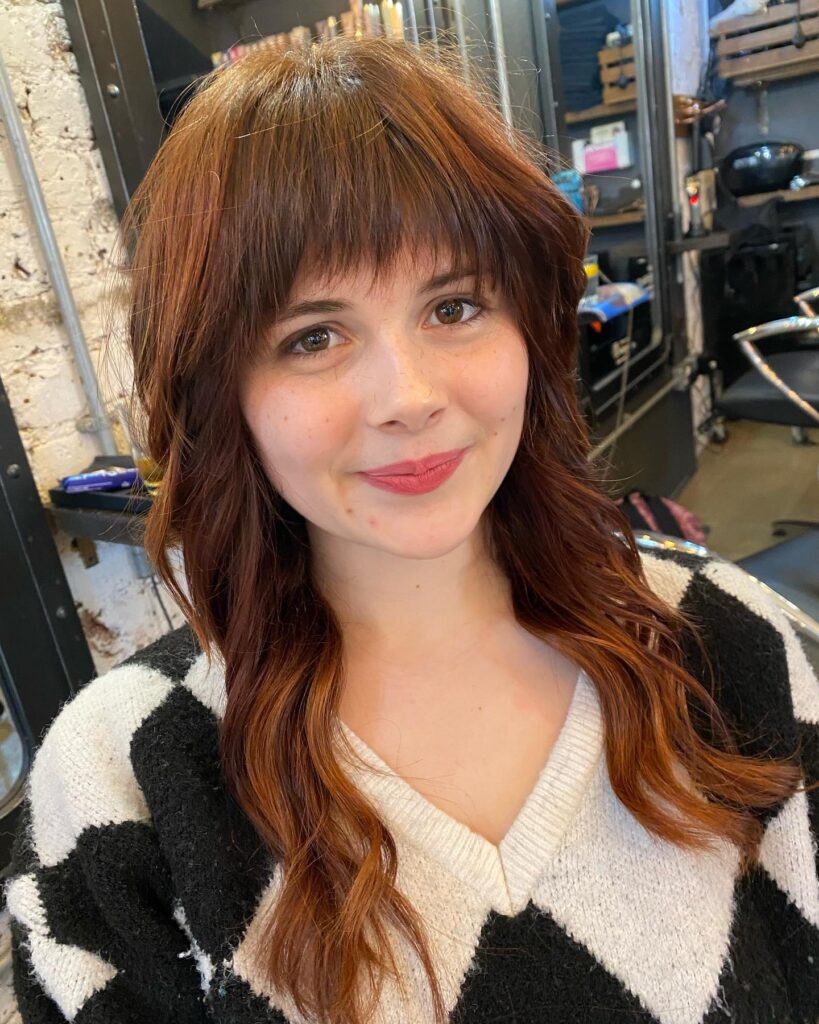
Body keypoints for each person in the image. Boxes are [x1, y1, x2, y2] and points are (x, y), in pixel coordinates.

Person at [5, 34, 818, 1024]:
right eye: (313, 336)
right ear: (219, 394)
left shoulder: (732, 647)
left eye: (456, 305)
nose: (410, 395)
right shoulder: (122, 780)